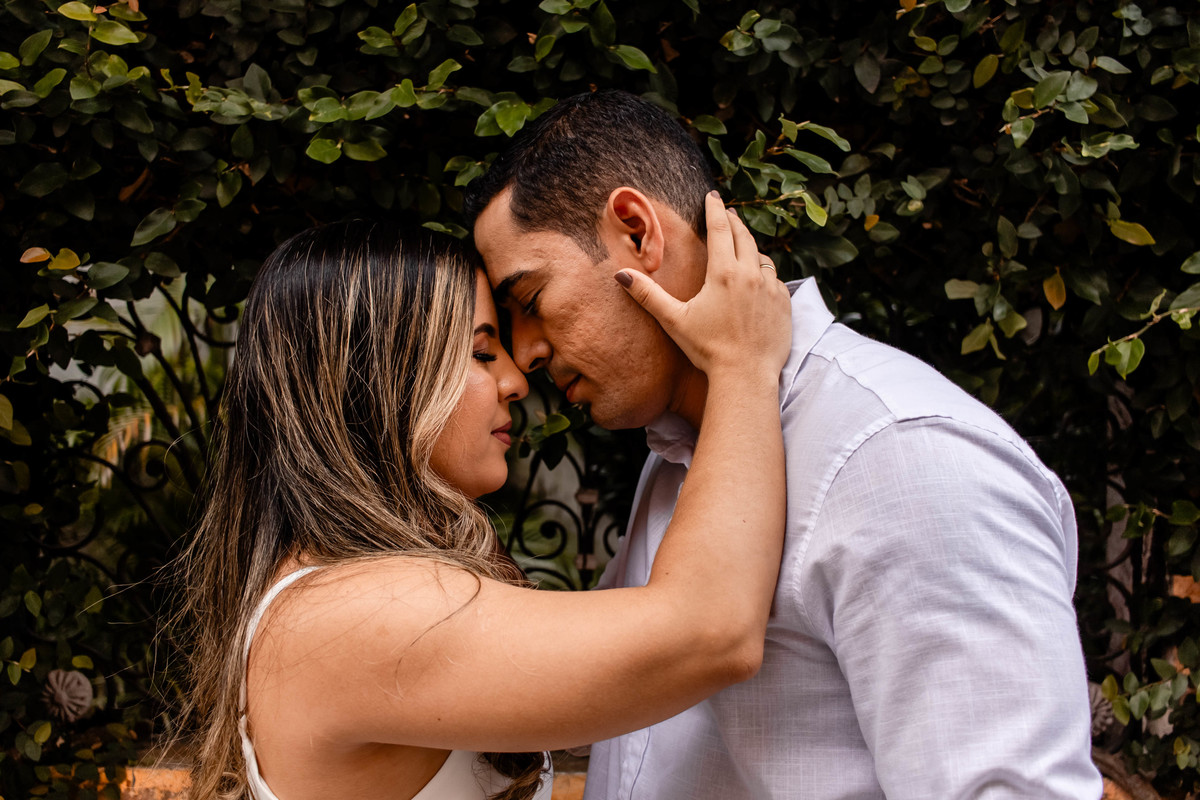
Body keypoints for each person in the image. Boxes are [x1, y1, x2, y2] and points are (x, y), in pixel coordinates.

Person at [465, 89, 1105, 799]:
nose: (526, 353)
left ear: (638, 232)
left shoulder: (900, 456)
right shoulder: (682, 447)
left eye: (530, 301)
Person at [175, 210, 792, 800]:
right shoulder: (351, 614)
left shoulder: (346, 592)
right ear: (381, 380)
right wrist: (740, 362)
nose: (516, 381)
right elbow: (709, 632)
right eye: (480, 352)